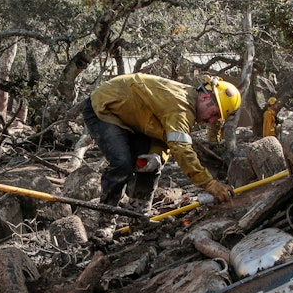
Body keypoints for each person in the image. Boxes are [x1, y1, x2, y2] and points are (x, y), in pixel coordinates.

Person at [81, 73, 242, 214]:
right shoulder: (181, 106)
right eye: (214, 114)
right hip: (104, 107)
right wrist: (208, 183)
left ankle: (138, 212)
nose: (211, 121)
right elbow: (181, 149)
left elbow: (163, 136)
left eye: (216, 119)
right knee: (122, 163)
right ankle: (106, 220)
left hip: (133, 120)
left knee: (150, 161)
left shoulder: (187, 107)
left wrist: (157, 155)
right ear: (206, 97)